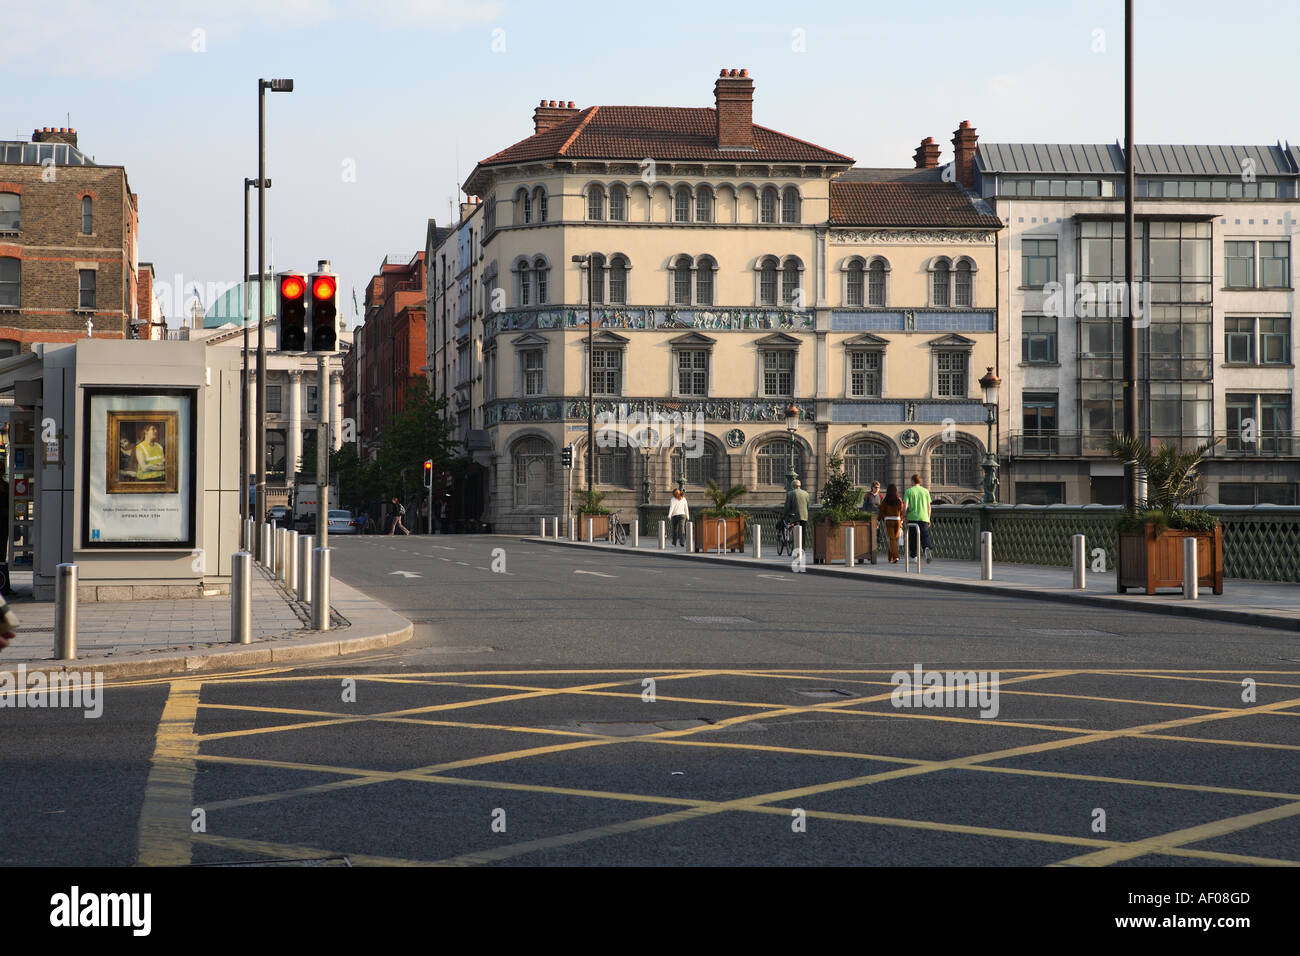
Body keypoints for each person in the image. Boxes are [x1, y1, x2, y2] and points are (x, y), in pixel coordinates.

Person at [903, 472, 933, 563]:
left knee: (913, 537)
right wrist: (928, 518)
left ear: (912, 481)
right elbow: (929, 506)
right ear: (919, 481)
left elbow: (905, 506)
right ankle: (926, 548)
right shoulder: (926, 491)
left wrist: (904, 516)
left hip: (912, 517)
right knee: (925, 536)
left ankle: (914, 556)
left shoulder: (909, 491)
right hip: (924, 517)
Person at [877, 484, 907, 563]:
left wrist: (878, 520)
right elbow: (901, 511)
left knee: (891, 539)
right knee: (894, 540)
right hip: (897, 521)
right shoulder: (899, 500)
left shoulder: (885, 501)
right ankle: (891, 558)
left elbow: (881, 511)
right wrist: (901, 521)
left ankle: (895, 556)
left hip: (888, 521)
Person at [783, 479, 810, 554]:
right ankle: (803, 548)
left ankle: (796, 547)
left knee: (795, 530)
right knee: (803, 532)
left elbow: (787, 506)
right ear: (800, 485)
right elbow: (808, 506)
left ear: (793, 486)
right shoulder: (806, 494)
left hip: (794, 516)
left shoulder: (790, 493)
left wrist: (784, 514)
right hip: (804, 515)